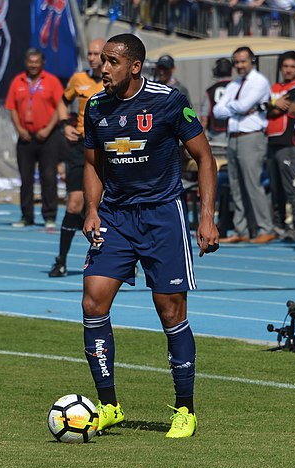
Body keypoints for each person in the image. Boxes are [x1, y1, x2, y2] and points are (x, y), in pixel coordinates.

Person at [82, 33, 218, 438]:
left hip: (162, 216)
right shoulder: (95, 105)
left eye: (111, 61)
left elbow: (205, 158)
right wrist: (92, 209)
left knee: (171, 310)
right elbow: (92, 164)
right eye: (101, 61)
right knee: (93, 301)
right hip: (115, 216)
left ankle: (185, 409)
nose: (103, 68)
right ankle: (109, 406)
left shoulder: (169, 100)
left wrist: (207, 218)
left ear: (134, 66)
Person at [49, 38, 105, 277]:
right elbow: (63, 101)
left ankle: (117, 257)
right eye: (90, 53)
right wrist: (65, 124)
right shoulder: (78, 79)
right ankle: (61, 260)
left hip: (106, 149)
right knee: (74, 203)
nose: (92, 57)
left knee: (104, 206)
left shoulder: (113, 81)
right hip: (81, 145)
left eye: (96, 53)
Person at [213, 46, 276, 244]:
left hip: (251, 136)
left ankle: (265, 227)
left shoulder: (259, 82)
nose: (240, 65)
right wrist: (237, 109)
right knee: (236, 185)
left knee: (252, 184)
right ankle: (242, 229)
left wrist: (233, 108)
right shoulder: (234, 84)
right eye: (237, 62)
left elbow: (243, 105)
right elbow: (217, 111)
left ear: (252, 61)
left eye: (243, 61)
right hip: (233, 136)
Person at [5, 48, 63, 229]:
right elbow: (11, 108)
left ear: (42, 63)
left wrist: (48, 129)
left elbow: (60, 107)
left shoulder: (52, 81)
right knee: (26, 179)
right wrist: (19, 129)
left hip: (47, 137)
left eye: (36, 62)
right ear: (26, 63)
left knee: (48, 177)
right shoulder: (18, 81)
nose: (33, 65)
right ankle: (26, 216)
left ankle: (50, 216)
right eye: (30, 62)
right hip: (25, 137)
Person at [266, 51, 295, 240]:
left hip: (288, 142)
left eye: (292, 66)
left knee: (291, 187)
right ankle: (278, 224)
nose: (288, 70)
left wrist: (273, 105)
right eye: (285, 66)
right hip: (272, 141)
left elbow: (285, 107)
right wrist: (274, 104)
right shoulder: (275, 87)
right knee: (275, 188)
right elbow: (270, 109)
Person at [200, 58, 233, 144]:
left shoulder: (210, 91)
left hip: (216, 134)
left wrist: (200, 138)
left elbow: (204, 118)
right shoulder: (237, 87)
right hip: (236, 132)